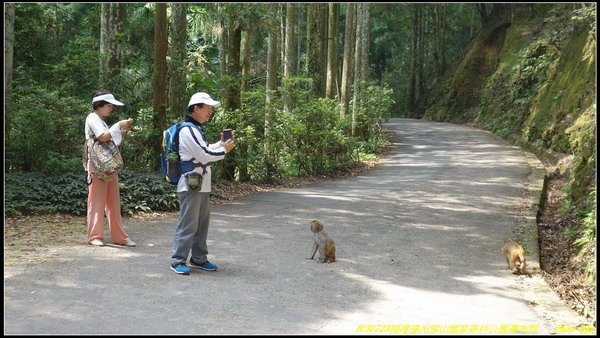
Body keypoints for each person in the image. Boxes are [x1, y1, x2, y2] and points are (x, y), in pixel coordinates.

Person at [170, 92, 235, 275]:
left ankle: (198, 258)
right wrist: (224, 151)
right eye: (207, 108)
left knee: (201, 223)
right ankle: (178, 260)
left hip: (201, 183)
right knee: (188, 223)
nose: (210, 111)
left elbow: (204, 150)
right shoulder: (187, 130)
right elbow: (204, 156)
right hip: (190, 184)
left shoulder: (196, 129)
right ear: (196, 108)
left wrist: (221, 144)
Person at [84, 90, 136, 247]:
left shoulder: (101, 120)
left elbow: (113, 140)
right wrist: (118, 124)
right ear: (99, 105)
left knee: (114, 201)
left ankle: (120, 237)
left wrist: (123, 129)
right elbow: (103, 137)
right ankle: (95, 236)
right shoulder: (92, 118)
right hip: (97, 165)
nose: (111, 108)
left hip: (109, 164)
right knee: (96, 201)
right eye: (109, 105)